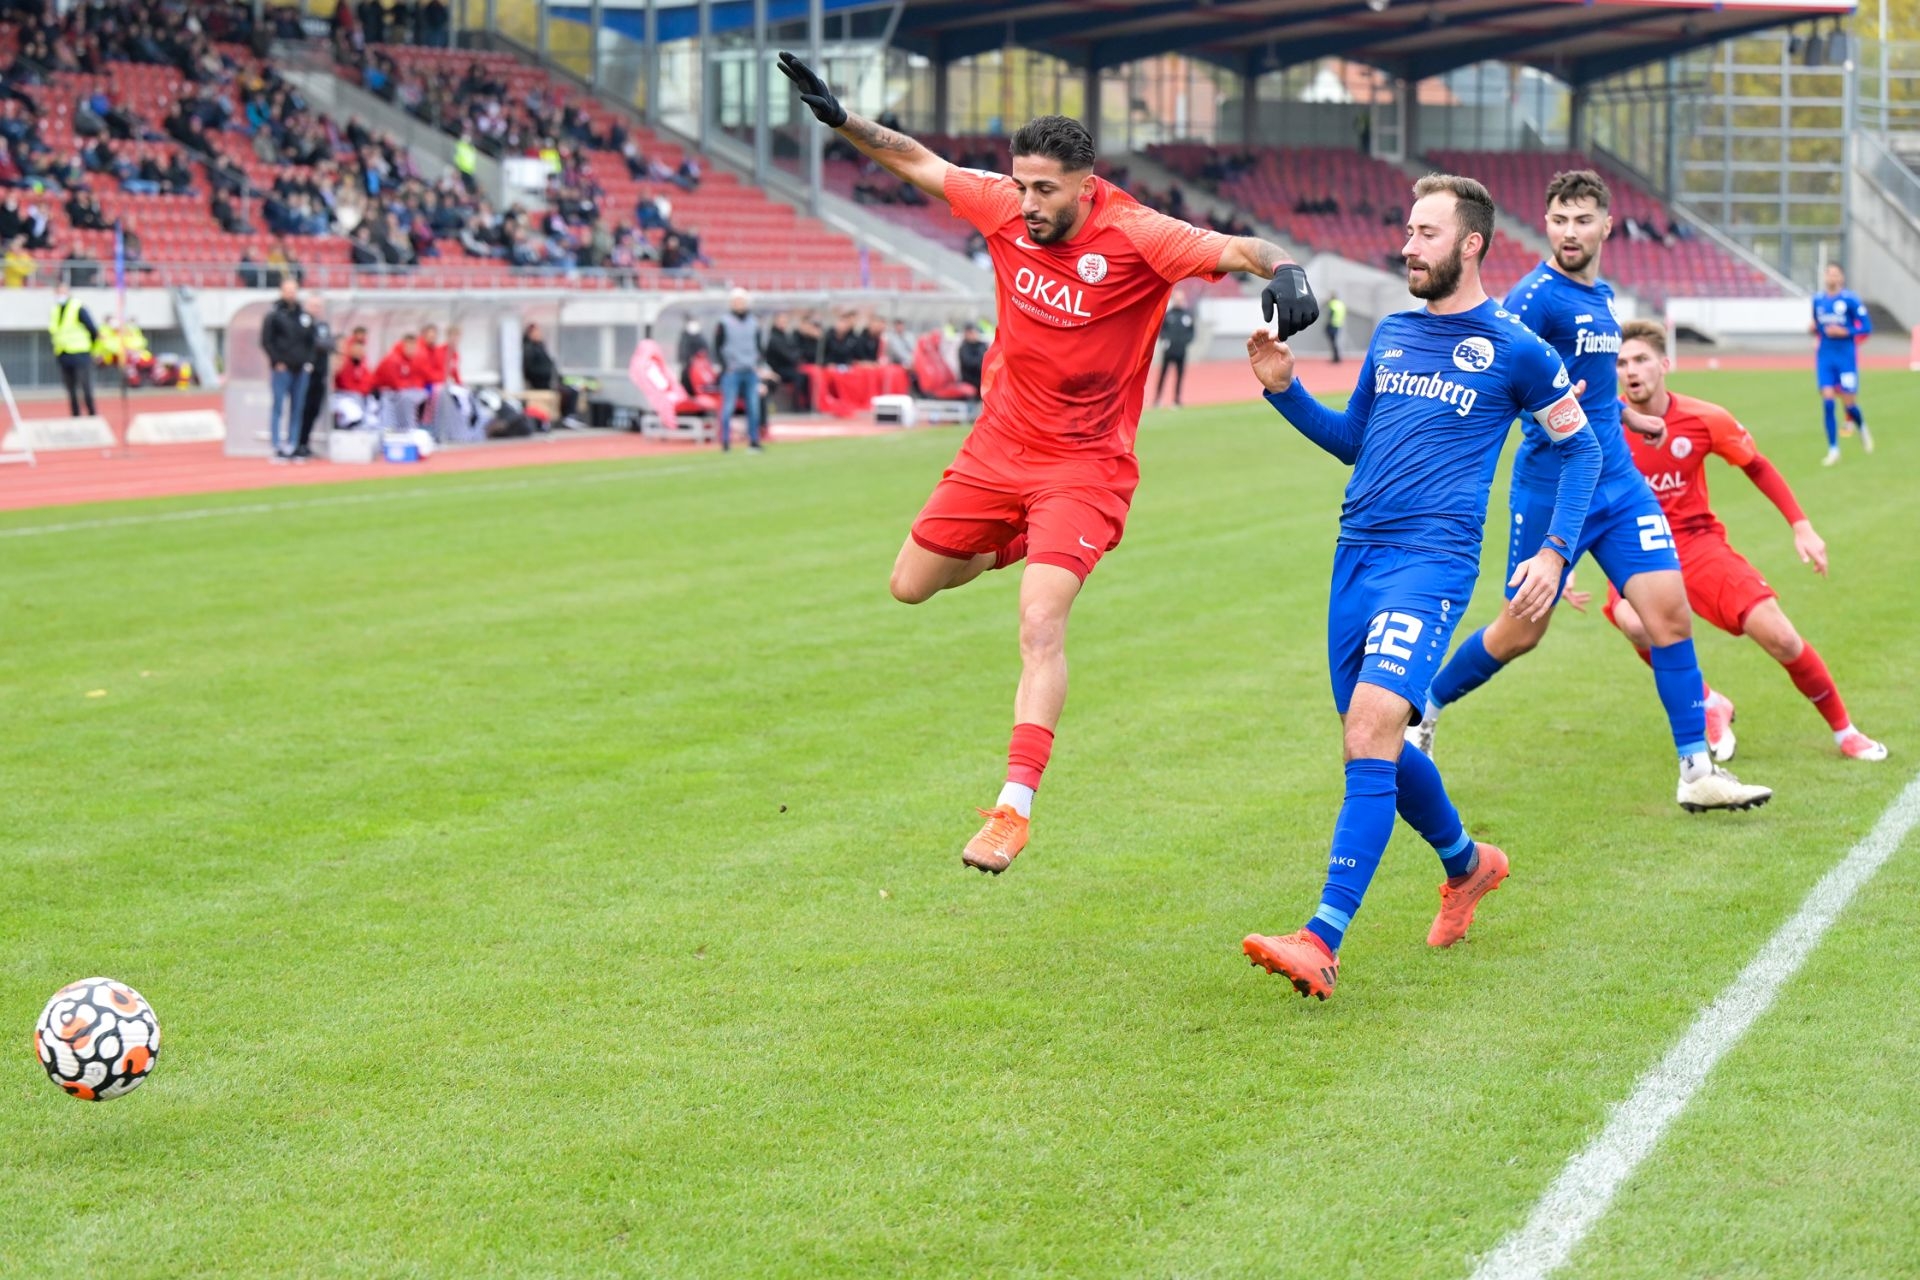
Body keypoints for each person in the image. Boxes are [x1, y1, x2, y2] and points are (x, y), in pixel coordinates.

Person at [778, 52, 1317, 873]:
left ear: (1085, 186)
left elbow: (1241, 247)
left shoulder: (1139, 234)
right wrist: (842, 118)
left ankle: (1012, 808)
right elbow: (918, 161)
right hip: (997, 447)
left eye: (1045, 190)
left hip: (1085, 467)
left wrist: (1287, 269)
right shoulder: (1002, 204)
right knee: (910, 584)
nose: (1027, 203)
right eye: (1021, 185)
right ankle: (1029, 539)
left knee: (1039, 623)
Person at [1241, 174, 1599, 1001]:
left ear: (1471, 244)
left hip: (1431, 563)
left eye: (1426, 233)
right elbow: (1354, 442)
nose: (1408, 246)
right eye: (1407, 230)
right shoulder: (1394, 333)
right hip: (1356, 557)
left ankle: (1321, 939)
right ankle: (1468, 866)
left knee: (1372, 728)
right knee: (1375, 743)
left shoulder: (1517, 349)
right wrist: (1285, 390)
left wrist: (1554, 553)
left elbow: (1580, 450)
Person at [1412, 170, 1770, 813]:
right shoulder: (1534, 298)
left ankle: (1696, 772)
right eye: (1558, 220)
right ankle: (1424, 712)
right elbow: (1492, 370)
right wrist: (1536, 408)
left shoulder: (1601, 295)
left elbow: (1592, 385)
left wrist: (1630, 417)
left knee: (1670, 616)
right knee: (1519, 634)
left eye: (1582, 220)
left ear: (1607, 225)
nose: (1569, 232)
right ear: (1546, 225)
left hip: (1620, 486)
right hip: (1552, 490)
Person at [1602, 322, 1886, 761]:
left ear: (1665, 364)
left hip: (1696, 543)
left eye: (1640, 359)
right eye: (1621, 363)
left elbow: (1757, 465)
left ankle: (1845, 731)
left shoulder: (1703, 417)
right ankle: (1708, 702)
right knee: (1635, 624)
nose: (1631, 370)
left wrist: (1801, 525)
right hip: (1635, 548)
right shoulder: (1605, 423)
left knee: (1781, 637)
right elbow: (1567, 484)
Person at [1811, 262, 1871, 465]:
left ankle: (1861, 427)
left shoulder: (1850, 300)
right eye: (1829, 274)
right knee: (1828, 401)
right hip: (1825, 358)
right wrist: (1813, 330)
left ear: (1841, 277)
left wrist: (1845, 331)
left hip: (1846, 358)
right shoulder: (1817, 300)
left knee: (1849, 403)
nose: (1832, 277)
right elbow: (1818, 326)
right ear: (1825, 277)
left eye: (1835, 274)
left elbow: (1866, 327)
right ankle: (1833, 449)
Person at [259, 278, 316, 462]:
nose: (291, 293)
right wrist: (276, 360)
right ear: (281, 291)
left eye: (293, 290)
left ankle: (292, 444)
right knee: (278, 406)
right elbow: (266, 341)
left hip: (301, 369)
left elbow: (312, 342)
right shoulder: (274, 315)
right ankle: (277, 446)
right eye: (287, 290)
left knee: (297, 408)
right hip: (282, 368)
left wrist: (309, 362)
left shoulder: (304, 316)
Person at [713, 287, 765, 452]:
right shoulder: (724, 322)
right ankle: (725, 441)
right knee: (728, 407)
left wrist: (759, 366)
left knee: (753, 407)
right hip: (732, 370)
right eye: (736, 301)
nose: (739, 304)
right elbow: (717, 347)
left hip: (750, 370)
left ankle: (754, 441)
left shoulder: (754, 323)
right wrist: (725, 366)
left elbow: (758, 346)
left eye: (741, 301)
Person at [48, 279, 100, 417]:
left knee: (85, 386)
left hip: (80, 353)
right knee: (70, 388)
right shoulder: (55, 310)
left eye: (63, 291)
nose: (60, 294)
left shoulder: (78, 307)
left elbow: (92, 329)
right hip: (63, 353)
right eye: (58, 292)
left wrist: (91, 346)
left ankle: (92, 414)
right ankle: (75, 415)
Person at [295, 291, 334, 462]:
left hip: (320, 372)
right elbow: (306, 343)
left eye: (319, 306)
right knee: (302, 409)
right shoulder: (301, 323)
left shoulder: (323, 325)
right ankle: (297, 443)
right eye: (313, 305)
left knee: (314, 410)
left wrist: (318, 343)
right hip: (305, 373)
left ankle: (305, 443)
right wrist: (318, 343)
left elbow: (329, 344)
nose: (316, 309)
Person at [1154, 290, 1194, 407]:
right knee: (1163, 374)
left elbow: (1192, 332)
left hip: (1181, 351)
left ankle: (1176, 399)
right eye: (1177, 299)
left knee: (1179, 376)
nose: (1179, 301)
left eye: (1180, 299)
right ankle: (1158, 399)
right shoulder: (1168, 314)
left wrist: (1186, 341)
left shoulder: (1187, 315)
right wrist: (1165, 340)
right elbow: (1161, 330)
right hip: (1168, 351)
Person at [955, 323, 987, 391]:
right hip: (971, 378)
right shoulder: (964, 348)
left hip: (982, 375)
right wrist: (981, 360)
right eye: (971, 333)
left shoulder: (981, 345)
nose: (973, 335)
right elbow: (970, 364)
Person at [1325, 292, 1346, 363]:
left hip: (1332, 324)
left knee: (1333, 341)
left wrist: (1328, 323)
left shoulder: (1332, 304)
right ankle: (1337, 357)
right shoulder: (1341, 304)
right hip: (1339, 324)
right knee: (1335, 341)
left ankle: (1336, 357)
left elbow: (1331, 314)